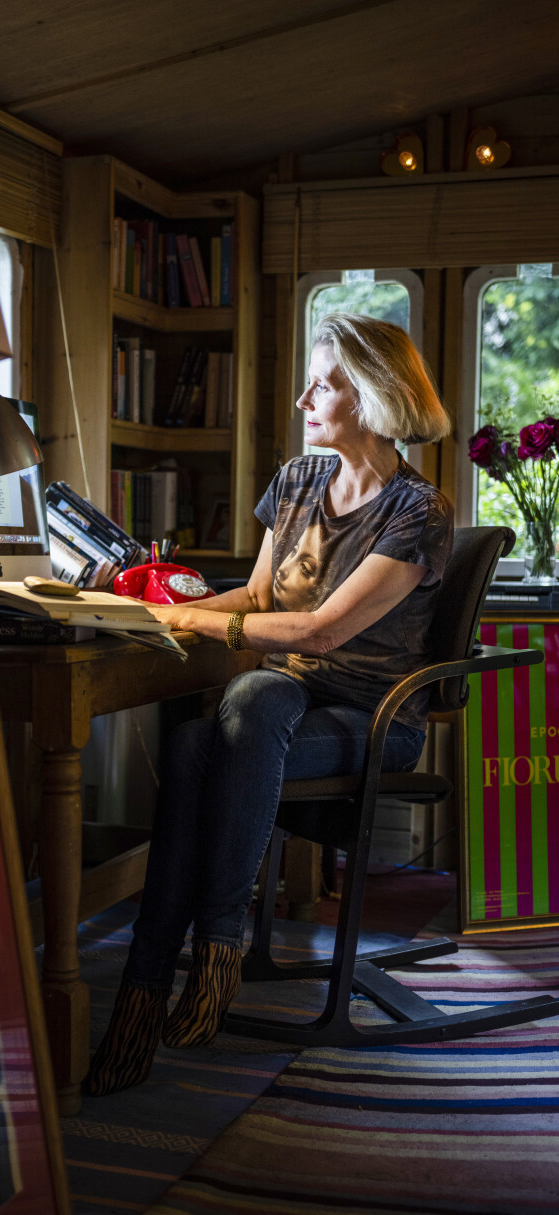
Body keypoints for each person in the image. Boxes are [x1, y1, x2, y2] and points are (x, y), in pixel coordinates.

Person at [85, 312, 453, 1096]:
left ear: (376, 395)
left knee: (249, 695)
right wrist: (149, 611)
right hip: (282, 703)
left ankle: (210, 955)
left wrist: (188, 618)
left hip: (370, 717)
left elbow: (320, 633)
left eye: (322, 384)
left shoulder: (420, 511)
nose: (301, 399)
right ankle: (152, 987)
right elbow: (255, 595)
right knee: (193, 743)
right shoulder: (295, 481)